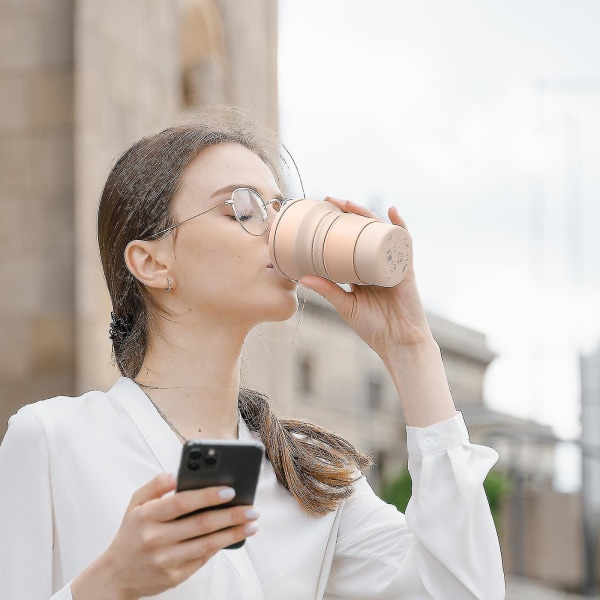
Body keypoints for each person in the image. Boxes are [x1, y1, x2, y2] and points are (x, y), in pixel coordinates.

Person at [0, 107, 505, 599]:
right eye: (242, 207)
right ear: (151, 262)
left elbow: (464, 592)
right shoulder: (52, 439)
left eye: (280, 207)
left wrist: (410, 346)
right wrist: (110, 584)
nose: (276, 229)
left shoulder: (313, 480)